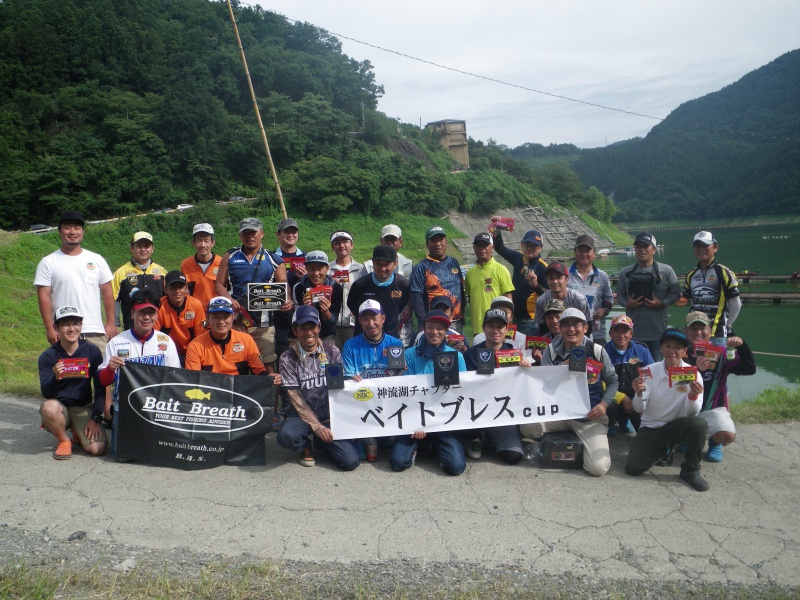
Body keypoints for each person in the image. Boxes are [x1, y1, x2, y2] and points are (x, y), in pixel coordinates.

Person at [520, 308, 619, 477]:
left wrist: (603, 405)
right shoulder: (550, 351)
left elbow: (613, 381)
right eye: (566, 324)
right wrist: (562, 368)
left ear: (585, 328)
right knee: (526, 428)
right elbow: (545, 386)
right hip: (559, 415)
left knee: (597, 469)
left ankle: (588, 442)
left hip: (589, 418)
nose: (571, 329)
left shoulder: (597, 351)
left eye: (576, 324)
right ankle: (570, 438)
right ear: (560, 327)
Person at [99, 290, 181, 458]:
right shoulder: (117, 342)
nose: (146, 317)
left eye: (151, 312)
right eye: (142, 312)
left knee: (161, 455)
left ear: (157, 314)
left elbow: (175, 379)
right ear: (132, 313)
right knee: (122, 456)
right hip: (125, 409)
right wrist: (110, 369)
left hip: (156, 409)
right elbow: (103, 380)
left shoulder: (165, 341)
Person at [625, 327, 709, 492]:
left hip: (677, 425)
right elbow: (637, 408)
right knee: (633, 468)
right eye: (668, 346)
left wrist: (692, 395)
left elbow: (693, 414)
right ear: (661, 349)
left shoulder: (693, 374)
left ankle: (690, 470)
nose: (672, 351)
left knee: (698, 424)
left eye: (677, 347)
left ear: (685, 352)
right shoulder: (649, 372)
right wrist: (639, 393)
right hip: (651, 427)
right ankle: (666, 450)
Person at [277, 305, 360, 470]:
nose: (309, 333)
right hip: (300, 415)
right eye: (303, 328)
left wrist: (350, 381)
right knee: (286, 436)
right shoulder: (287, 357)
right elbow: (295, 398)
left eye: (312, 327)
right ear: (295, 331)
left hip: (328, 414)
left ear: (319, 327)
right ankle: (304, 445)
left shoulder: (331, 350)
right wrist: (317, 427)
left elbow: (337, 386)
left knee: (350, 462)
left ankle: (322, 442)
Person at [391, 310, 467, 476]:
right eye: (430, 327)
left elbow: (461, 392)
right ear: (423, 329)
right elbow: (407, 392)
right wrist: (417, 421)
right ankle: (422, 447)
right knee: (398, 463)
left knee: (456, 467)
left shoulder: (456, 356)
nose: (434, 332)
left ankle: (434, 446)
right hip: (415, 418)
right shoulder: (410, 354)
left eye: (439, 328)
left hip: (444, 419)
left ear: (446, 331)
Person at [215, 217, 293, 376]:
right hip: (237, 322)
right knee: (237, 366)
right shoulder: (230, 256)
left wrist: (288, 299)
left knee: (267, 366)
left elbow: (284, 284)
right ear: (240, 235)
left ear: (262, 234)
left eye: (253, 232)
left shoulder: (274, 259)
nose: (250, 236)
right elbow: (219, 284)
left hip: (264, 325)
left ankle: (271, 400)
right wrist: (229, 299)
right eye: (246, 233)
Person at [35, 210, 116, 356]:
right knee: (68, 377)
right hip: (65, 332)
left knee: (102, 376)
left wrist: (111, 323)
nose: (72, 231)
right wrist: (50, 328)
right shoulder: (48, 262)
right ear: (59, 231)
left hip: (95, 332)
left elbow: (107, 292)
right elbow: (44, 296)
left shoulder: (97, 259)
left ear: (83, 231)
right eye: (67, 227)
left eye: (77, 227)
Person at [684, 311, 756, 463]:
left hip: (712, 408)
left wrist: (742, 347)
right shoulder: (680, 353)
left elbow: (748, 370)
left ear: (710, 331)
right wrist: (697, 371)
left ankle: (715, 442)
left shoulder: (722, 353)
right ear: (686, 331)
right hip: (683, 408)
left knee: (728, 435)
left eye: (702, 328)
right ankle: (684, 439)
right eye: (693, 328)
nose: (698, 332)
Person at [37, 306, 107, 460]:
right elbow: (47, 394)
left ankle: (77, 431)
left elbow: (100, 387)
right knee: (48, 407)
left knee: (97, 448)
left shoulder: (92, 351)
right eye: (65, 324)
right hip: (59, 408)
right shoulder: (47, 357)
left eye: (75, 323)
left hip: (82, 407)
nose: (71, 329)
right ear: (56, 328)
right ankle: (64, 439)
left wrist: (96, 418)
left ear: (81, 326)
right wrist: (56, 377)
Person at [463, 308, 528, 464]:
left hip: (501, 412)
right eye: (491, 326)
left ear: (507, 329)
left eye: (500, 327)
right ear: (483, 328)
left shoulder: (514, 355)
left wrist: (526, 371)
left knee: (513, 456)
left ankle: (491, 435)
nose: (495, 331)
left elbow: (524, 388)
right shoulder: (470, 354)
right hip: (476, 410)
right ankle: (475, 438)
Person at [616, 232, 681, 361]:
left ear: (654, 250)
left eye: (646, 246)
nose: (642, 250)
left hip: (659, 334)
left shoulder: (666, 270)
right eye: (638, 246)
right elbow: (620, 295)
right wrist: (627, 304)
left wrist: (661, 303)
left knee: (659, 372)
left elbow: (676, 294)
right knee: (637, 374)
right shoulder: (625, 272)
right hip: (633, 335)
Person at [184, 296, 273, 377]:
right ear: (207, 318)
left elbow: (259, 371)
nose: (221, 321)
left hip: (240, 391)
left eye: (225, 316)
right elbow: (193, 379)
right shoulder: (195, 346)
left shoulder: (246, 340)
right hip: (209, 392)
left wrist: (270, 377)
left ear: (232, 317)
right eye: (216, 317)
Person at [489, 217, 549, 335]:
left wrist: (536, 285)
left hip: (532, 322)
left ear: (540, 248)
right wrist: (497, 228)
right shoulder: (518, 258)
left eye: (534, 246)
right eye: (527, 244)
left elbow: (549, 297)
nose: (530, 248)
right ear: (521, 244)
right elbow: (499, 248)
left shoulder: (543, 268)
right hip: (513, 319)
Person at [682, 231, 742, 346]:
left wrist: (728, 326)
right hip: (695, 334)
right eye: (698, 246)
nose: (701, 249)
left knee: (715, 365)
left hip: (717, 335)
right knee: (694, 364)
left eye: (705, 245)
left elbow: (736, 304)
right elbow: (689, 301)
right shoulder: (691, 274)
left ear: (715, 247)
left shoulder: (724, 272)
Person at [363, 224, 414, 346]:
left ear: (400, 242)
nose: (390, 243)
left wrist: (410, 306)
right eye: (387, 239)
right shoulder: (367, 266)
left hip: (402, 318)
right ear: (381, 241)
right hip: (374, 318)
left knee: (400, 352)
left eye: (394, 240)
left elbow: (412, 291)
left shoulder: (409, 264)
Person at [603, 315, 654, 436]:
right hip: (613, 397)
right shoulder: (602, 352)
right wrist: (622, 398)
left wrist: (642, 399)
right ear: (610, 333)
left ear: (631, 333)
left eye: (625, 331)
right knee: (608, 404)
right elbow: (600, 382)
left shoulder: (642, 350)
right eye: (617, 331)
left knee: (644, 433)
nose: (621, 335)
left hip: (636, 396)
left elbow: (651, 377)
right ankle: (610, 422)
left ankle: (626, 421)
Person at [347, 245, 411, 340]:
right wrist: (368, 320)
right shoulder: (360, 285)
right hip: (364, 334)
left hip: (390, 334)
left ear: (395, 264)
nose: (382, 268)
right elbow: (352, 304)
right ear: (373, 263)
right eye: (379, 264)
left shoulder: (403, 284)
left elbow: (401, 304)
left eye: (387, 265)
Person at [410, 226, 466, 333]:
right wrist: (422, 323)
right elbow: (416, 297)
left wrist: (462, 313)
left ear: (446, 242)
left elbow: (460, 289)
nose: (438, 244)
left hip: (455, 322)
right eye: (433, 241)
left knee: (457, 348)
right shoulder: (421, 267)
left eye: (441, 240)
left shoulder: (453, 262)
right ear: (427, 243)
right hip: (434, 323)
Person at [111, 231, 167, 331]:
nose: (143, 249)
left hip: (159, 328)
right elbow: (114, 300)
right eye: (139, 246)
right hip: (131, 329)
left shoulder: (162, 273)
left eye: (147, 246)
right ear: (131, 248)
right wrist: (115, 324)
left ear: (152, 249)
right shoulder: (120, 273)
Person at [464, 232, 514, 332]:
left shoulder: (501, 269)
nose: (482, 248)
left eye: (485, 245)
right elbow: (470, 299)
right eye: (478, 246)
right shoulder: (470, 273)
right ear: (474, 248)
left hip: (497, 329)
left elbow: (509, 300)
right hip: (477, 328)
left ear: (492, 247)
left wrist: (507, 325)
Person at [568, 234, 613, 344]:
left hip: (596, 333)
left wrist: (604, 310)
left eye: (587, 250)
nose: (584, 254)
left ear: (594, 252)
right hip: (571, 333)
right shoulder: (566, 275)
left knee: (596, 361)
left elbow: (609, 300)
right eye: (580, 250)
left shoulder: (602, 276)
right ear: (575, 252)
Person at [156, 270, 207, 365]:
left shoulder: (196, 305)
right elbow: (154, 337)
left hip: (190, 352)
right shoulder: (159, 306)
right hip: (165, 352)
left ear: (186, 288)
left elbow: (200, 336)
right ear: (165, 289)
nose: (177, 291)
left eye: (181, 287)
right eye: (172, 288)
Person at [343, 300, 404, 380]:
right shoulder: (350, 346)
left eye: (374, 318)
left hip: (386, 391)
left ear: (383, 318)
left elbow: (398, 378)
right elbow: (348, 376)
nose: (371, 324)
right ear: (360, 321)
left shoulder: (395, 344)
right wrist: (350, 378)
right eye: (366, 319)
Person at [292, 250, 343, 345]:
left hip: (327, 334)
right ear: (306, 268)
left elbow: (332, 321)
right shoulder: (299, 287)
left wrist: (326, 312)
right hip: (306, 334)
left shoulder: (336, 288)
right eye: (311, 269)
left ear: (327, 268)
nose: (316, 273)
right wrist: (306, 309)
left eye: (320, 269)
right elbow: (296, 320)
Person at [328, 230, 364, 349]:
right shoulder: (326, 270)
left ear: (352, 245)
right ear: (332, 247)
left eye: (345, 242)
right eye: (337, 242)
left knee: (353, 358)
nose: (341, 245)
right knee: (332, 361)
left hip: (354, 324)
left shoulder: (362, 270)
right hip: (332, 325)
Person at [534, 262, 591, 335]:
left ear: (567, 280)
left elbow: (588, 324)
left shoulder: (579, 299)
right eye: (551, 278)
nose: (554, 282)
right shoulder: (541, 301)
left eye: (558, 278)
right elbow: (542, 327)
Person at [180, 223, 222, 308]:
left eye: (206, 241)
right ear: (194, 243)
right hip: (194, 312)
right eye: (199, 241)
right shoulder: (186, 264)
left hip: (217, 312)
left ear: (212, 243)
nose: (203, 245)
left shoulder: (222, 263)